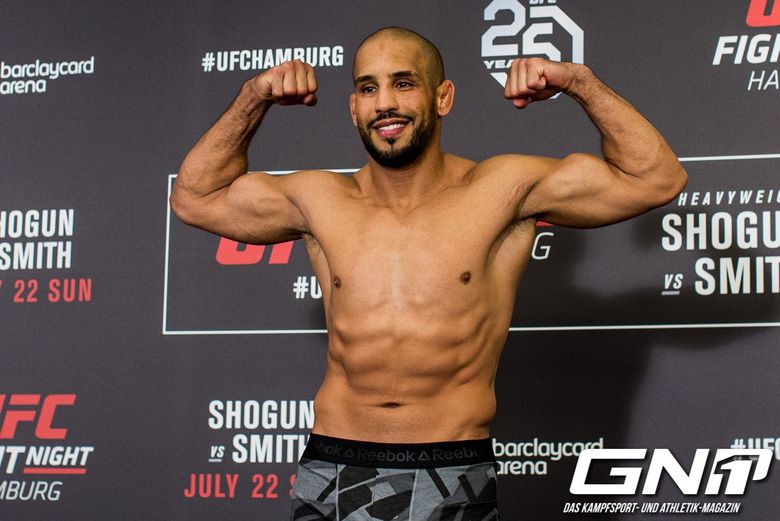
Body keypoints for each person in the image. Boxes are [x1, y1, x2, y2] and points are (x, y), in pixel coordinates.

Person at [171, 26, 686, 521]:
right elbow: (195, 198)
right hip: (334, 466)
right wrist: (254, 96)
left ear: (443, 98)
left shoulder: (501, 189)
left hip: (451, 470)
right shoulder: (319, 198)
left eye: (403, 83)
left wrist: (577, 81)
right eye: (368, 88)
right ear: (353, 108)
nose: (384, 103)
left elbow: (655, 178)